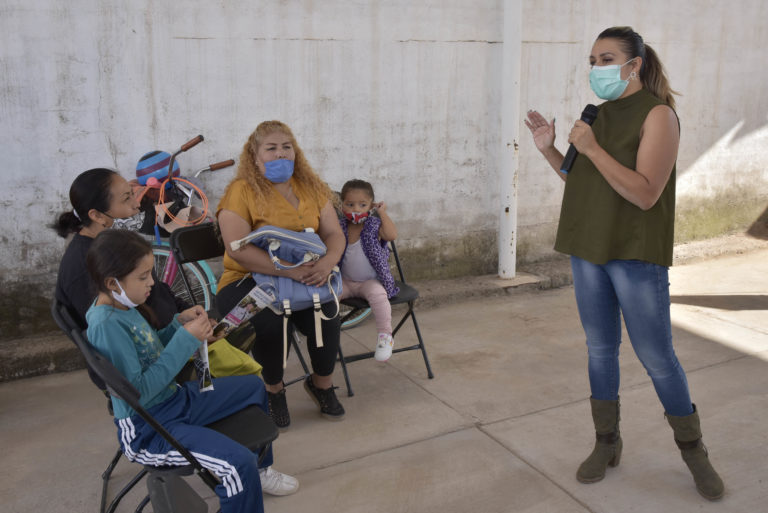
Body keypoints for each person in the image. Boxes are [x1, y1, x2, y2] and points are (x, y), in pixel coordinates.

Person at [524, 26, 724, 500]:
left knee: (657, 356)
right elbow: (581, 179)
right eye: (593, 60)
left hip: (633, 252)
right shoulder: (596, 114)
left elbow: (644, 192)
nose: (597, 69)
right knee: (599, 349)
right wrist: (549, 147)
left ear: (634, 65)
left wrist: (592, 147)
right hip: (588, 248)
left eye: (607, 58)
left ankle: (695, 452)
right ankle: (606, 442)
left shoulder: (659, 116)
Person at [85, 229, 298, 512]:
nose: (151, 283)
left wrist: (178, 324)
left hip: (174, 401)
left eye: (150, 274)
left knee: (252, 386)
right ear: (113, 283)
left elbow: (151, 350)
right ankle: (247, 475)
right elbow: (139, 392)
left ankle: (258, 473)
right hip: (151, 429)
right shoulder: (106, 325)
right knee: (237, 465)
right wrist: (187, 339)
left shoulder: (122, 305)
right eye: (143, 277)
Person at [216, 120, 346, 428]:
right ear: (255, 155)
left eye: (287, 147)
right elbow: (237, 249)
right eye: (271, 148)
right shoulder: (242, 191)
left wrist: (328, 263)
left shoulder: (312, 187)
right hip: (247, 277)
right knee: (270, 320)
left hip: (309, 274)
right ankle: (273, 390)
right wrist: (291, 271)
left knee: (327, 310)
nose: (280, 154)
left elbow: (334, 233)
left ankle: (321, 384)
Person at [52, 168, 187, 330]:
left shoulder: (116, 244)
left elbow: (158, 292)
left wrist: (185, 314)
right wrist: (185, 335)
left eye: (132, 194)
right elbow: (121, 331)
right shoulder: (86, 267)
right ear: (97, 216)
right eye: (126, 199)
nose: (137, 204)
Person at [338, 179, 399, 361]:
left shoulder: (373, 225)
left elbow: (391, 235)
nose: (356, 209)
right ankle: (328, 337)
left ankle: (385, 336)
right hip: (345, 281)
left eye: (362, 204)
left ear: (370, 206)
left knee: (379, 296)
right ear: (342, 206)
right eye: (350, 204)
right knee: (327, 295)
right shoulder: (340, 226)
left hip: (369, 281)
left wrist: (381, 213)